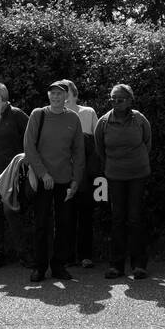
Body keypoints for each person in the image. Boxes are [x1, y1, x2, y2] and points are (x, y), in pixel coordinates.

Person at [23, 81, 84, 283]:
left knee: (65, 224)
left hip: (65, 179)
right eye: (52, 93)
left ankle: (58, 265)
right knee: (41, 223)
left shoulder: (73, 118)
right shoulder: (38, 114)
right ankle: (39, 267)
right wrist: (43, 174)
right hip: (43, 180)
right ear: (48, 95)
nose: (56, 97)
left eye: (60, 94)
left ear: (66, 96)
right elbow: (29, 146)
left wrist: (76, 180)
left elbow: (78, 151)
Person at [94, 84, 152, 279]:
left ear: (129, 100)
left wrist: (135, 162)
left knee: (135, 218)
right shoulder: (103, 122)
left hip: (138, 174)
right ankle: (116, 266)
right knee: (117, 218)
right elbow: (100, 149)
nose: (115, 102)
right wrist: (114, 165)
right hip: (115, 175)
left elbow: (147, 142)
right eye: (112, 99)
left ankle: (139, 265)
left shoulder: (140, 119)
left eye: (120, 99)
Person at [0, 82, 30, 269]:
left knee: (11, 211)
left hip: (11, 170)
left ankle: (24, 254)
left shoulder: (17, 115)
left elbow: (31, 139)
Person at [62, 80, 99, 268]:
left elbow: (97, 142)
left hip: (85, 172)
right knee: (65, 215)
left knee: (85, 213)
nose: (62, 96)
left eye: (65, 92)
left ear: (74, 94)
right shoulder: (54, 114)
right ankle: (67, 256)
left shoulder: (88, 112)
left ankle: (85, 255)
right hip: (63, 172)